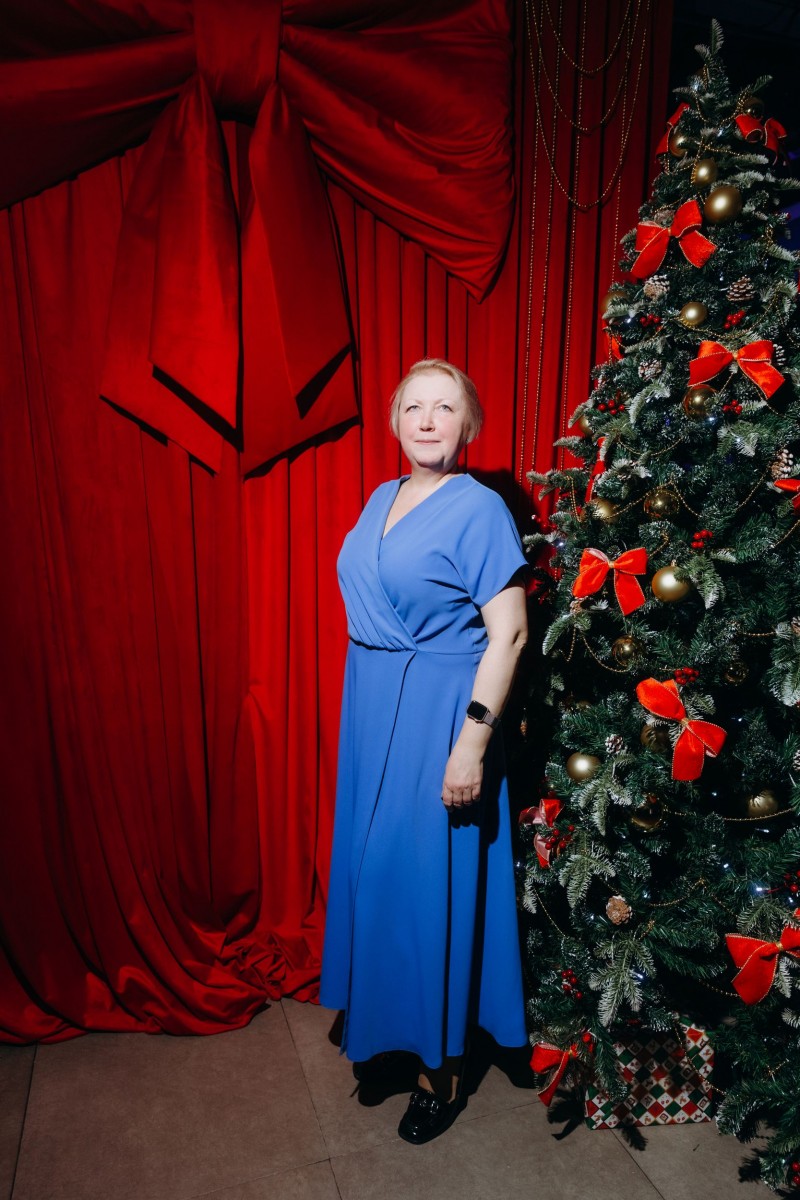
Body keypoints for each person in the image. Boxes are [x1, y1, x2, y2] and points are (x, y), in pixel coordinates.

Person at [320, 358, 528, 1144]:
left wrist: (471, 742)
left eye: (446, 407)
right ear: (396, 422)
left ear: (468, 424)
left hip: (441, 713)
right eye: (415, 407)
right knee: (377, 877)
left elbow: (510, 634)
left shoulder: (479, 508)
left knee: (429, 888)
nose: (429, 421)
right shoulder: (381, 497)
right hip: (373, 707)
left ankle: (440, 1073)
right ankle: (386, 1029)